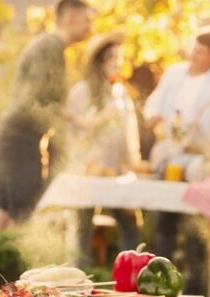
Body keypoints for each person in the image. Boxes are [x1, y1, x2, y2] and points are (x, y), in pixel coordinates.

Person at [0, 0, 91, 231]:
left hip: (13, 135)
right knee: (22, 214)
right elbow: (39, 99)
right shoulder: (50, 46)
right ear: (70, 17)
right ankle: (11, 266)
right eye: (87, 20)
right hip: (22, 138)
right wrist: (78, 121)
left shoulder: (50, 46)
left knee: (6, 208)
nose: (89, 27)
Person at [143, 30, 210, 293]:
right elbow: (154, 102)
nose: (194, 55)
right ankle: (157, 280)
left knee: (195, 220)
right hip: (169, 152)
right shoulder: (174, 73)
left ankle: (195, 283)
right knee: (165, 218)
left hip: (197, 158)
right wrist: (154, 116)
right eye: (194, 48)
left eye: (201, 52)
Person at [65, 33, 141, 266]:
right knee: (82, 228)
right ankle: (78, 281)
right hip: (88, 172)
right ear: (98, 61)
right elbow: (75, 135)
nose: (116, 63)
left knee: (130, 222)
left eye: (119, 58)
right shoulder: (82, 91)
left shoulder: (120, 92)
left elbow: (129, 134)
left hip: (116, 172)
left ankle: (133, 276)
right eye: (111, 58)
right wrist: (100, 118)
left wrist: (134, 163)